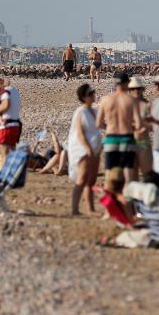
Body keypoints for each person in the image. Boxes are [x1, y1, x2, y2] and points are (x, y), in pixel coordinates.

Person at [96, 72, 140, 188]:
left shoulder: (105, 99)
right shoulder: (131, 100)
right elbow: (139, 124)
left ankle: (111, 203)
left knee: (110, 172)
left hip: (111, 138)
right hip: (127, 138)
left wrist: (109, 127)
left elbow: (98, 123)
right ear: (127, 83)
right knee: (128, 173)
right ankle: (128, 203)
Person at [68, 84, 102, 216]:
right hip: (84, 150)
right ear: (83, 97)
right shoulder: (80, 112)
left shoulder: (94, 111)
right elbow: (80, 133)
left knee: (92, 180)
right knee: (82, 178)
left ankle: (90, 209)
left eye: (93, 92)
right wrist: (88, 148)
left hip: (96, 148)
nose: (93, 95)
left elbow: (101, 126)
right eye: (90, 93)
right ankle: (74, 209)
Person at [0, 78, 22, 168]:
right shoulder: (15, 91)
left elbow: (6, 106)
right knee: (13, 153)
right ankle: (14, 176)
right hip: (16, 125)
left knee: (4, 155)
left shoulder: (3, 93)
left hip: (6, 126)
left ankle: (4, 177)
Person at [129, 77, 154, 177]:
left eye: (138, 88)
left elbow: (153, 124)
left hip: (144, 142)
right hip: (130, 142)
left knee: (147, 173)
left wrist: (144, 126)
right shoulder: (127, 105)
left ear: (142, 89)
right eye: (133, 89)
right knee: (132, 175)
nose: (136, 91)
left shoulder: (147, 105)